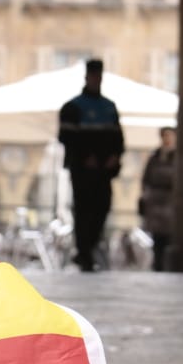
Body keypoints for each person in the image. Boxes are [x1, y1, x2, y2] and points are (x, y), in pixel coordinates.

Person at [58, 59, 125, 272]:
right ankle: (84, 252)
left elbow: (118, 137)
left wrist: (115, 156)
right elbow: (66, 137)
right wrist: (84, 156)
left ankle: (91, 247)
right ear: (87, 77)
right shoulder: (72, 107)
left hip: (103, 169)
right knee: (84, 210)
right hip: (83, 169)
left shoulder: (108, 107)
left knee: (102, 208)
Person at [139, 126, 176, 271]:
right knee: (157, 236)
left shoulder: (179, 157)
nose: (167, 139)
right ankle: (158, 263)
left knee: (170, 234)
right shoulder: (155, 157)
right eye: (164, 136)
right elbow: (146, 178)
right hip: (155, 200)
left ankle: (168, 264)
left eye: (169, 136)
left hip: (171, 200)